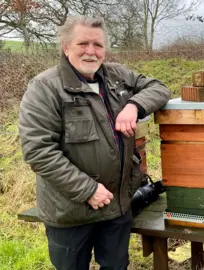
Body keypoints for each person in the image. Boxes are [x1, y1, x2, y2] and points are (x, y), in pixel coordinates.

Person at [18, 15, 171, 270]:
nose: (91, 51)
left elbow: (159, 87)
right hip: (71, 213)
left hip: (117, 208)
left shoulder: (117, 76)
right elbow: (39, 151)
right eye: (83, 44)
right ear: (66, 47)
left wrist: (134, 105)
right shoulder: (44, 88)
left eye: (98, 45)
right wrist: (87, 189)